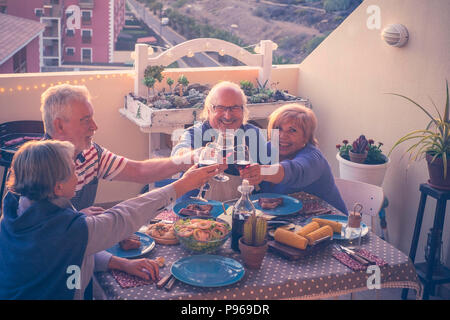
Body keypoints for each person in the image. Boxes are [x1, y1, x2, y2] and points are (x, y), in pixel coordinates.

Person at [0, 140, 220, 299]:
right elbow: (122, 217)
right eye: (72, 169)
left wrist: (120, 263)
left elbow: (70, 253)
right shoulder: (67, 230)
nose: (77, 173)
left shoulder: (15, 211)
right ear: (58, 187)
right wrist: (181, 185)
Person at [39, 84, 198, 283]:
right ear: (60, 126)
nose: (95, 126)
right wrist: (79, 219)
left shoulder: (90, 153)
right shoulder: (38, 174)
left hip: (79, 264)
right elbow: (58, 241)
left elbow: (140, 171)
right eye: (85, 120)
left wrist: (192, 158)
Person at [240, 103, 348, 214]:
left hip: (331, 223)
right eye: (278, 128)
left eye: (292, 130)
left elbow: (295, 170)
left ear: (306, 137)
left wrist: (262, 172)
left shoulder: (314, 158)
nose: (282, 136)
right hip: (287, 223)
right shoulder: (267, 150)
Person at [171, 81, 268, 201]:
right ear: (209, 110)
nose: (227, 116)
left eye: (235, 108)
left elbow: (269, 174)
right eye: (220, 108)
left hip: (240, 212)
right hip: (196, 211)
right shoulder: (195, 133)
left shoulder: (254, 134)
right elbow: (179, 154)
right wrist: (195, 155)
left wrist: (260, 174)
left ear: (243, 110)